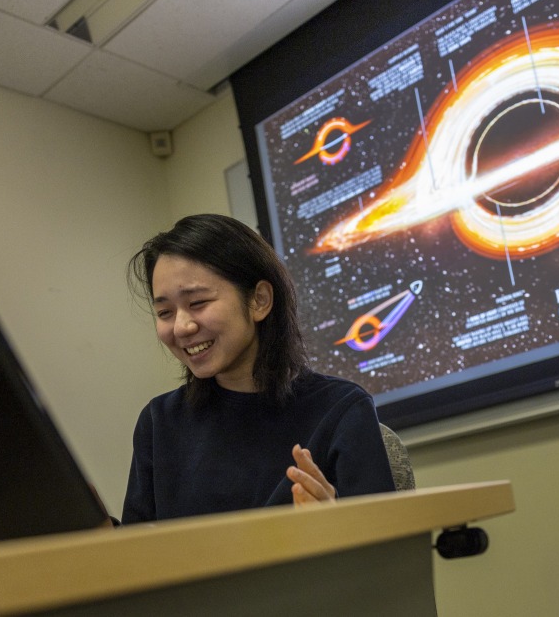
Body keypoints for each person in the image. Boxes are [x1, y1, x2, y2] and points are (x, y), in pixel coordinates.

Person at [121, 214, 396, 523]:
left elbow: (387, 552)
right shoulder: (159, 423)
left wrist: (333, 526)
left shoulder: (341, 409)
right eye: (165, 312)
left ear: (260, 300)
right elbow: (136, 555)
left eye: (197, 302)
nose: (182, 327)